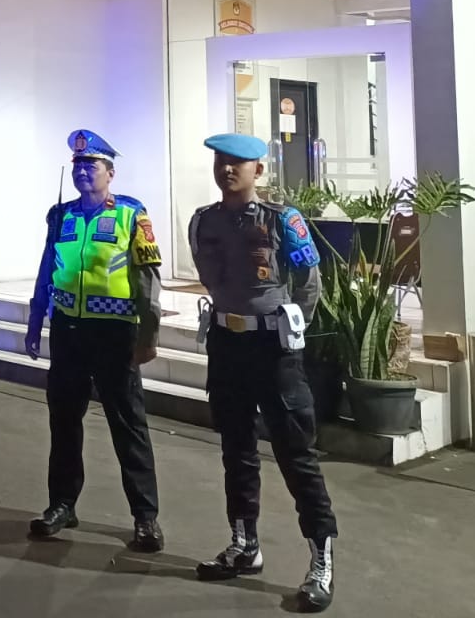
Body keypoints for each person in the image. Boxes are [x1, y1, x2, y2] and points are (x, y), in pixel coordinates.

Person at [189, 132, 336, 612]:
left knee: (296, 454)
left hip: (273, 348)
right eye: (221, 162)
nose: (227, 170)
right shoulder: (204, 221)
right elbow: (210, 276)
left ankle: (321, 560)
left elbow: (308, 285)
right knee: (236, 448)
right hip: (226, 343)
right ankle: (244, 544)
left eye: (238, 163)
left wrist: (287, 327)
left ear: (259, 170)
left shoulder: (282, 219)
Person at [25, 130, 163, 551]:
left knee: (128, 425)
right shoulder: (60, 215)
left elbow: (148, 278)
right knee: (64, 422)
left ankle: (145, 517)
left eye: (92, 165)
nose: (83, 171)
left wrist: (149, 334)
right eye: (78, 165)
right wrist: (35, 318)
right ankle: (61, 505)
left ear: (110, 173)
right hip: (68, 331)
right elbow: (47, 267)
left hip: (115, 335)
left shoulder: (131, 214)